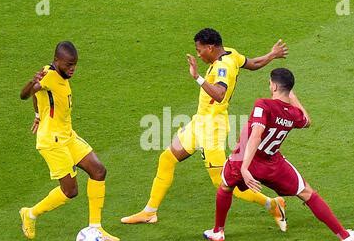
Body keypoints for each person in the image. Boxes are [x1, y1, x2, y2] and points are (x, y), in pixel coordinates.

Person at [121, 28, 289, 230]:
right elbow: (253, 64)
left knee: (223, 183)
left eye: (200, 50)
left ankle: (272, 204)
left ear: (210, 47)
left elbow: (219, 94)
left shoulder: (223, 67)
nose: (199, 55)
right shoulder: (231, 53)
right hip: (199, 123)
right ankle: (149, 212)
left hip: (212, 129)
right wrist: (272, 54)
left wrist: (197, 77)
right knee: (166, 158)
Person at [203, 68, 354, 241]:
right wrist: (292, 96)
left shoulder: (263, 104)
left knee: (225, 187)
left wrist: (244, 168)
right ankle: (345, 236)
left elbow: (256, 134)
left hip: (244, 159)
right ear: (289, 89)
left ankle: (218, 232)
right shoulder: (293, 114)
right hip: (272, 164)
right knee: (307, 194)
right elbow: (307, 121)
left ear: (273, 85)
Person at [19, 41, 119, 241]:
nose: (72, 69)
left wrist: (38, 114)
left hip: (67, 135)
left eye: (75, 64)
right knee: (70, 191)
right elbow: (26, 94)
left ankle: (96, 228)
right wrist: (32, 82)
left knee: (98, 171)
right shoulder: (48, 75)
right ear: (57, 61)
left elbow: (39, 96)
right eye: (68, 65)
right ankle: (30, 214)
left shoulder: (60, 74)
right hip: (52, 141)